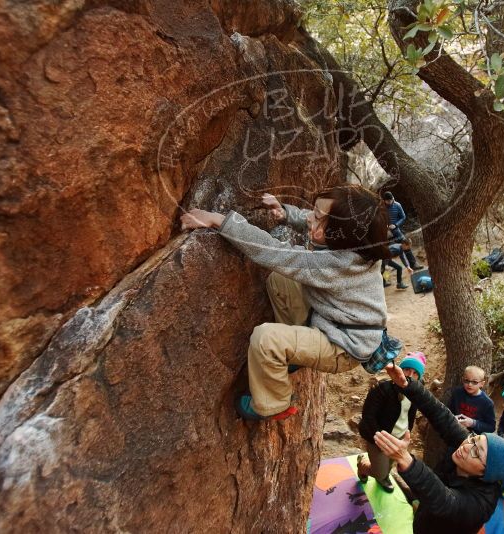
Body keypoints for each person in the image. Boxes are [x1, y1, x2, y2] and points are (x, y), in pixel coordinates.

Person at [180, 185, 391, 420]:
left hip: (343, 347)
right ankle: (291, 351)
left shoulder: (334, 265)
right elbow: (316, 221)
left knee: (265, 338)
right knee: (281, 281)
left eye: (317, 217)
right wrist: (286, 212)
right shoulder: (360, 246)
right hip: (335, 321)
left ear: (339, 232)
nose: (310, 216)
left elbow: (275, 252)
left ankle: (274, 404)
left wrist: (220, 221)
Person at [374, 364, 504, 534]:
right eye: (474, 439)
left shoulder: (481, 503)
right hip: (425, 520)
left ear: (486, 473)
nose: (467, 446)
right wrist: (407, 385)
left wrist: (407, 461)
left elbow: (446, 501)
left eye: (476, 453)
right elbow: (442, 415)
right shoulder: (468, 445)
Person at [357, 352, 427, 492]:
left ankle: (384, 477)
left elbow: (411, 414)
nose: (409, 375)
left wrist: (407, 431)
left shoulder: (416, 391)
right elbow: (368, 416)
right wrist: (378, 439)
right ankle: (363, 466)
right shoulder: (383, 389)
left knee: (389, 463)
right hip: (379, 436)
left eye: (415, 373)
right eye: (407, 369)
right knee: (379, 471)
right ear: (400, 369)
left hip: (400, 436)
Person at [448, 365, 496, 434]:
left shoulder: (487, 403)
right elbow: (450, 410)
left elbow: (491, 427)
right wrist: (453, 418)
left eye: (474, 382)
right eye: (466, 381)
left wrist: (473, 423)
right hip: (455, 431)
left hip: (473, 438)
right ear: (462, 379)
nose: (469, 384)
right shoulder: (457, 393)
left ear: (482, 384)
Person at [381, 191, 423, 269]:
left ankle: (413, 264)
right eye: (388, 201)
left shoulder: (397, 205)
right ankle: (383, 272)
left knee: (406, 245)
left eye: (391, 200)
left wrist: (396, 225)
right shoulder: (381, 207)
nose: (389, 202)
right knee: (384, 251)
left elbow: (403, 217)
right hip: (385, 232)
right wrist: (385, 225)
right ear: (384, 200)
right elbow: (379, 218)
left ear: (393, 198)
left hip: (396, 231)